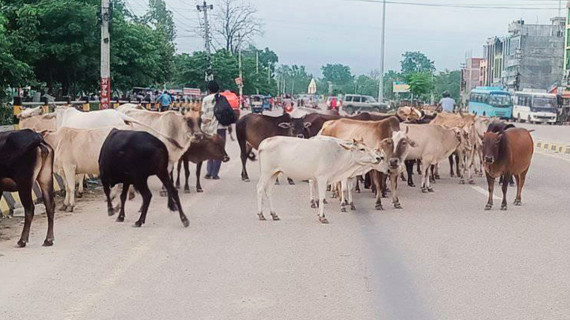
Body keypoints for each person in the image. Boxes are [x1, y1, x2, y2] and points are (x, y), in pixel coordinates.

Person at [201, 81, 226, 180]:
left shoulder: (206, 99)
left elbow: (203, 114)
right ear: (218, 89)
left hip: (209, 128)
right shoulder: (223, 99)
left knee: (209, 149)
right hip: (221, 128)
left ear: (209, 90)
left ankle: (209, 172)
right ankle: (215, 173)